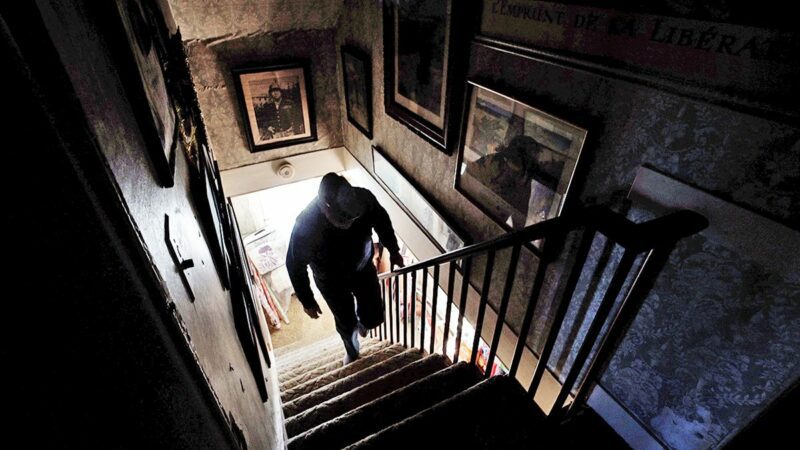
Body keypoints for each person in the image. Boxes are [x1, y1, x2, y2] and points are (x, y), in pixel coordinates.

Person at [286, 173, 404, 364]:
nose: (349, 223)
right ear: (325, 207)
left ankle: (363, 321)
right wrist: (307, 300)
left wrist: (394, 250)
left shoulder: (364, 198)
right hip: (331, 281)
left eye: (353, 217)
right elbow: (295, 264)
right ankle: (352, 350)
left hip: (362, 268)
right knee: (346, 322)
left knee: (374, 316)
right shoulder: (306, 225)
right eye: (343, 219)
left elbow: (382, 221)